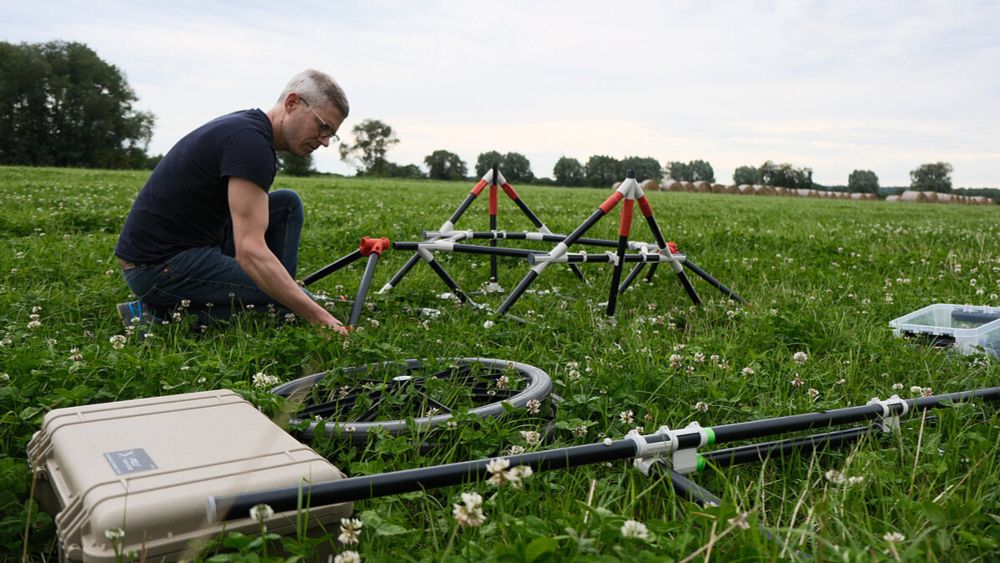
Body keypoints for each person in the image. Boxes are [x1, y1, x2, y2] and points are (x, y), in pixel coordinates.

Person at [114, 69, 349, 335]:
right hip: (157, 267)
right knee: (290, 309)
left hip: (193, 245)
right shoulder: (250, 144)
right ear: (292, 103)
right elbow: (249, 250)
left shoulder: (251, 131)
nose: (326, 141)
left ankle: (277, 294)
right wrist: (318, 316)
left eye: (332, 133)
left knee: (286, 204)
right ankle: (159, 317)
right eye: (323, 126)